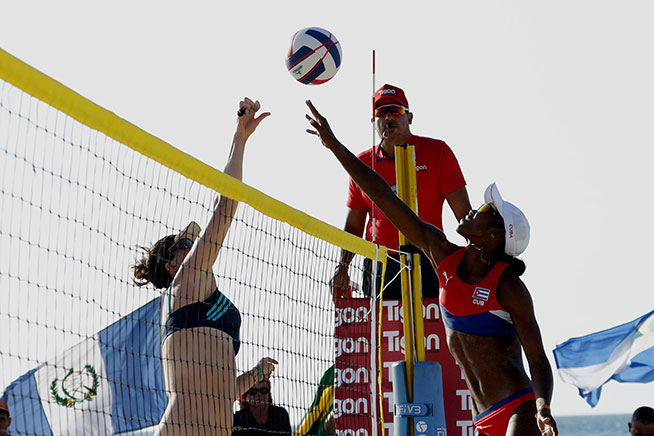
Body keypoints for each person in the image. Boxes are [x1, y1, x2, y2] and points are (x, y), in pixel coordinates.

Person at [305, 100, 557, 436]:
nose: (474, 210)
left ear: (495, 235)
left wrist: (543, 408)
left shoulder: (507, 286)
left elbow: (537, 358)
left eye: (484, 210)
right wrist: (334, 144)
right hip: (482, 419)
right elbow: (381, 194)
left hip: (519, 410)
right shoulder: (442, 255)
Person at [133, 97, 277, 436]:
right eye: (186, 245)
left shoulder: (198, 295)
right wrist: (239, 140)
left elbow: (219, 393)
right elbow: (225, 207)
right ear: (171, 264)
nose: (193, 247)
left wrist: (254, 376)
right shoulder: (185, 281)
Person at [330, 84, 471, 300]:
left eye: (394, 111)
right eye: (381, 113)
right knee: (379, 334)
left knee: (435, 333)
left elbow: (464, 216)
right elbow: (353, 226)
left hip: (429, 259)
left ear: (410, 117)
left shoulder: (437, 152)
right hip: (380, 265)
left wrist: (475, 266)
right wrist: (342, 268)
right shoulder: (363, 163)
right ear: (373, 121)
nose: (388, 118)